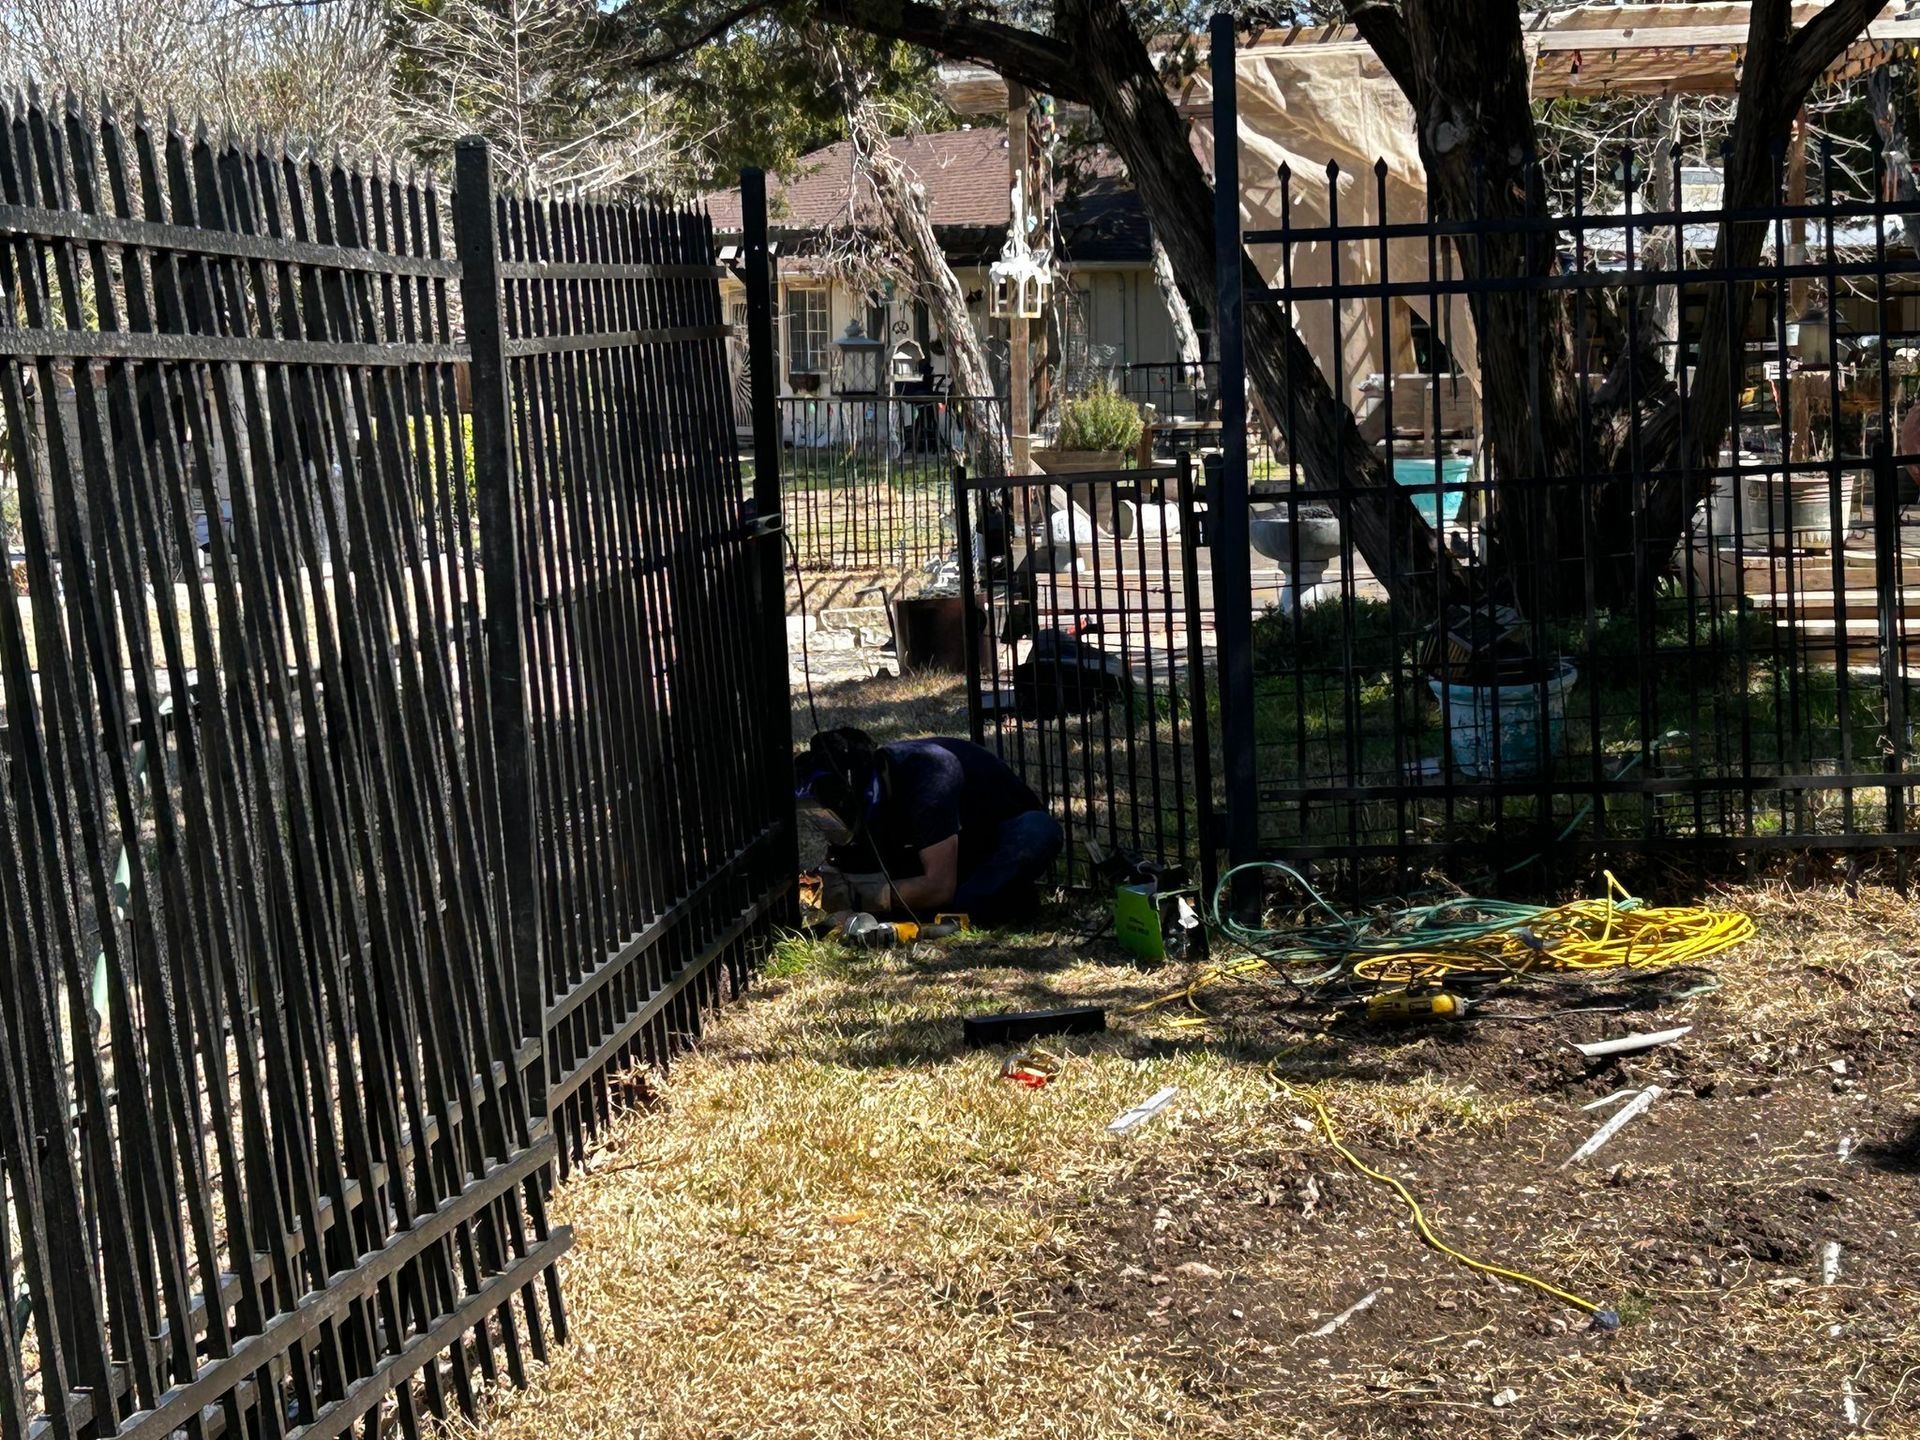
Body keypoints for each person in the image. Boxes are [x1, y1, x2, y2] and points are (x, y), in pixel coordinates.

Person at [794, 727, 1063, 926]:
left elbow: (939, 886)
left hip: (994, 842)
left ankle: (997, 903)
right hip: (946, 852)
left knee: (1037, 831)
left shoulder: (929, 777)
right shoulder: (868, 793)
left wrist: (866, 898)